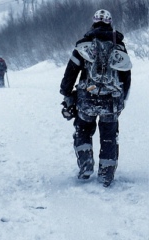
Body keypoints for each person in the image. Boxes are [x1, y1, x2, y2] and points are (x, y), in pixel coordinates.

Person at [60, 9, 132, 187]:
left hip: (86, 100)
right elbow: (126, 76)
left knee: (82, 130)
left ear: (93, 23)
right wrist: (123, 98)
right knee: (109, 136)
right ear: (110, 23)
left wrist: (66, 93)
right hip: (111, 102)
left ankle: (85, 165)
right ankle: (106, 174)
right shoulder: (119, 46)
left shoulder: (84, 45)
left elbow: (71, 72)